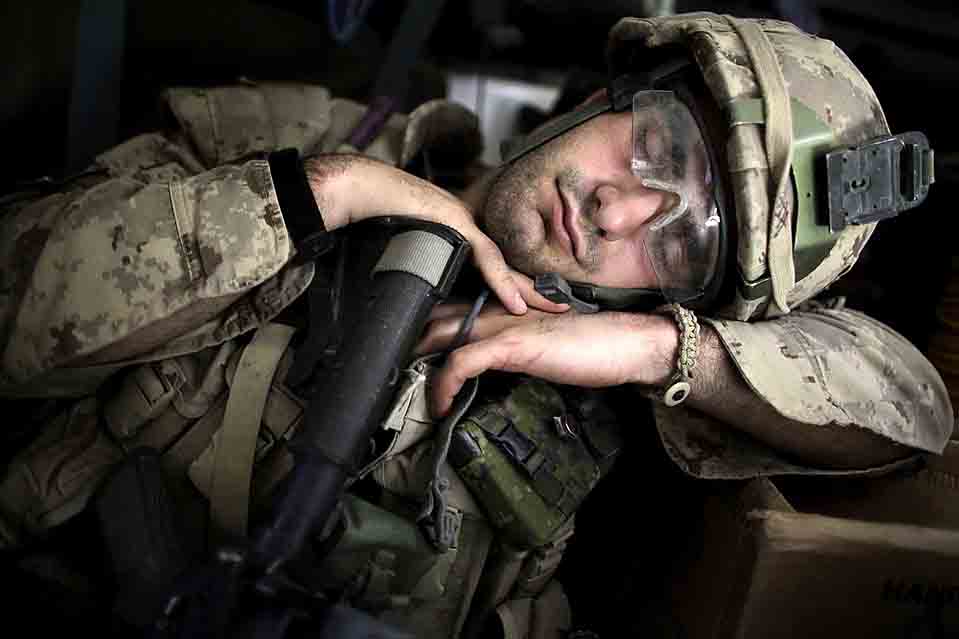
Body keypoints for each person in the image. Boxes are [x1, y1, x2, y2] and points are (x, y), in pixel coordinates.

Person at [0, 11, 951, 638]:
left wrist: (659, 348)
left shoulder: (612, 380)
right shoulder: (297, 139)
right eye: (654, 146)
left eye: (683, 241)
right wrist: (322, 195)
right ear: (599, 99)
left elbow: (913, 410)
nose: (620, 213)